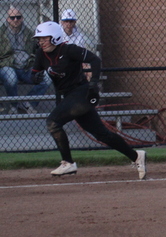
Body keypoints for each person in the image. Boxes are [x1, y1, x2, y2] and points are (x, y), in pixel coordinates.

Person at [30, 21, 146, 178]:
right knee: (101, 134)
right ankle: (136, 156)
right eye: (39, 39)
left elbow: (95, 60)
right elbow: (34, 75)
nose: (41, 42)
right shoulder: (40, 54)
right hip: (69, 96)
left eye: (44, 38)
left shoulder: (69, 49)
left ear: (55, 37)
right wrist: (35, 78)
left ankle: (68, 163)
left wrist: (93, 84)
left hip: (82, 92)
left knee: (53, 122)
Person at [0, 6, 52, 114]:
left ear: (22, 18)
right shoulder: (1, 33)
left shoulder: (30, 33)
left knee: (47, 76)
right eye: (12, 17)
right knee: (11, 78)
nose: (15, 20)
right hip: (8, 65)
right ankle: (14, 105)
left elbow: (38, 50)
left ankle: (28, 103)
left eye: (18, 17)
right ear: (8, 19)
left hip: (27, 66)